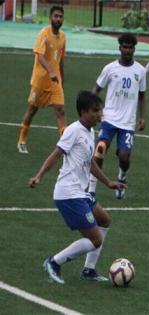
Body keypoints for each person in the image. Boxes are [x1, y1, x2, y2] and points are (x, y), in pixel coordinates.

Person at [29, 91, 126, 284]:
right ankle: (54, 262)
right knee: (95, 240)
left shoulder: (90, 132)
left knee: (104, 220)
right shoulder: (73, 130)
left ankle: (88, 271)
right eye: (95, 111)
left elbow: (90, 163)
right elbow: (55, 154)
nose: (99, 114)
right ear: (83, 112)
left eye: (100, 110)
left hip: (81, 192)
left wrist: (108, 183)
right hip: (69, 193)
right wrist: (39, 176)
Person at [88, 33, 146, 200]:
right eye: (125, 47)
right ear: (119, 48)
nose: (127, 50)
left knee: (124, 156)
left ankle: (121, 176)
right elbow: (97, 89)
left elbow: (142, 95)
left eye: (130, 47)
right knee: (99, 150)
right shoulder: (110, 69)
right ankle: (92, 188)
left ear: (134, 49)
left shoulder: (140, 71)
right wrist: (93, 109)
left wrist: (142, 117)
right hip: (109, 119)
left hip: (127, 123)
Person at [17, 6, 67, 154]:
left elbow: (61, 58)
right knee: (32, 110)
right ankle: (21, 140)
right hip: (40, 81)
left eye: (60, 17)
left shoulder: (63, 36)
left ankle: (65, 145)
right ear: (51, 18)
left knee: (61, 111)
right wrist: (50, 71)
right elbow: (39, 54)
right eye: (56, 16)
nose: (58, 19)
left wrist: (61, 77)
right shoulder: (44, 33)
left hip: (55, 82)